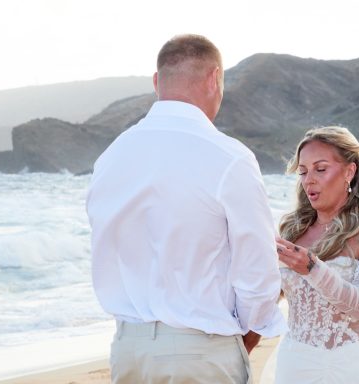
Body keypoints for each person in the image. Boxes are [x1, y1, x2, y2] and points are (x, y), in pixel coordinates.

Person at [86, 34, 286, 384]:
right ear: (214, 79)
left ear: (156, 81)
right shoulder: (228, 157)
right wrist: (243, 333)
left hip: (128, 350)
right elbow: (257, 269)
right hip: (201, 350)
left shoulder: (112, 156)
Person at [274, 126, 359, 383]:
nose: (309, 180)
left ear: (349, 171)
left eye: (320, 169)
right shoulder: (292, 232)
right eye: (303, 172)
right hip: (293, 365)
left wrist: (312, 268)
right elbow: (267, 297)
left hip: (346, 368)